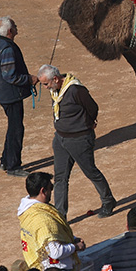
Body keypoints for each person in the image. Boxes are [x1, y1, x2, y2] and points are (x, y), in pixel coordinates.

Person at [38, 64, 116, 219]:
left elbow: (92, 107)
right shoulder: (56, 89)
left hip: (79, 139)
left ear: (55, 79)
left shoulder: (75, 90)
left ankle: (108, 200)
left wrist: (89, 123)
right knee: (60, 177)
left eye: (46, 84)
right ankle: (61, 215)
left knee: (90, 171)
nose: (46, 88)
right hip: (60, 139)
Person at [0, 16, 34, 177]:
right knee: (16, 129)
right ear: (10, 31)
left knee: (12, 127)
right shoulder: (7, 48)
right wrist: (29, 79)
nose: (17, 27)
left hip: (4, 94)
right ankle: (13, 165)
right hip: (11, 95)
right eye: (15, 26)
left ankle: (5, 160)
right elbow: (10, 76)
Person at [18, 172, 85, 271]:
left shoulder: (27, 210)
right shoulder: (42, 219)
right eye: (51, 188)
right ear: (43, 191)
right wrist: (75, 247)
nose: (51, 191)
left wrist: (72, 238)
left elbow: (56, 233)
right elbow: (55, 252)